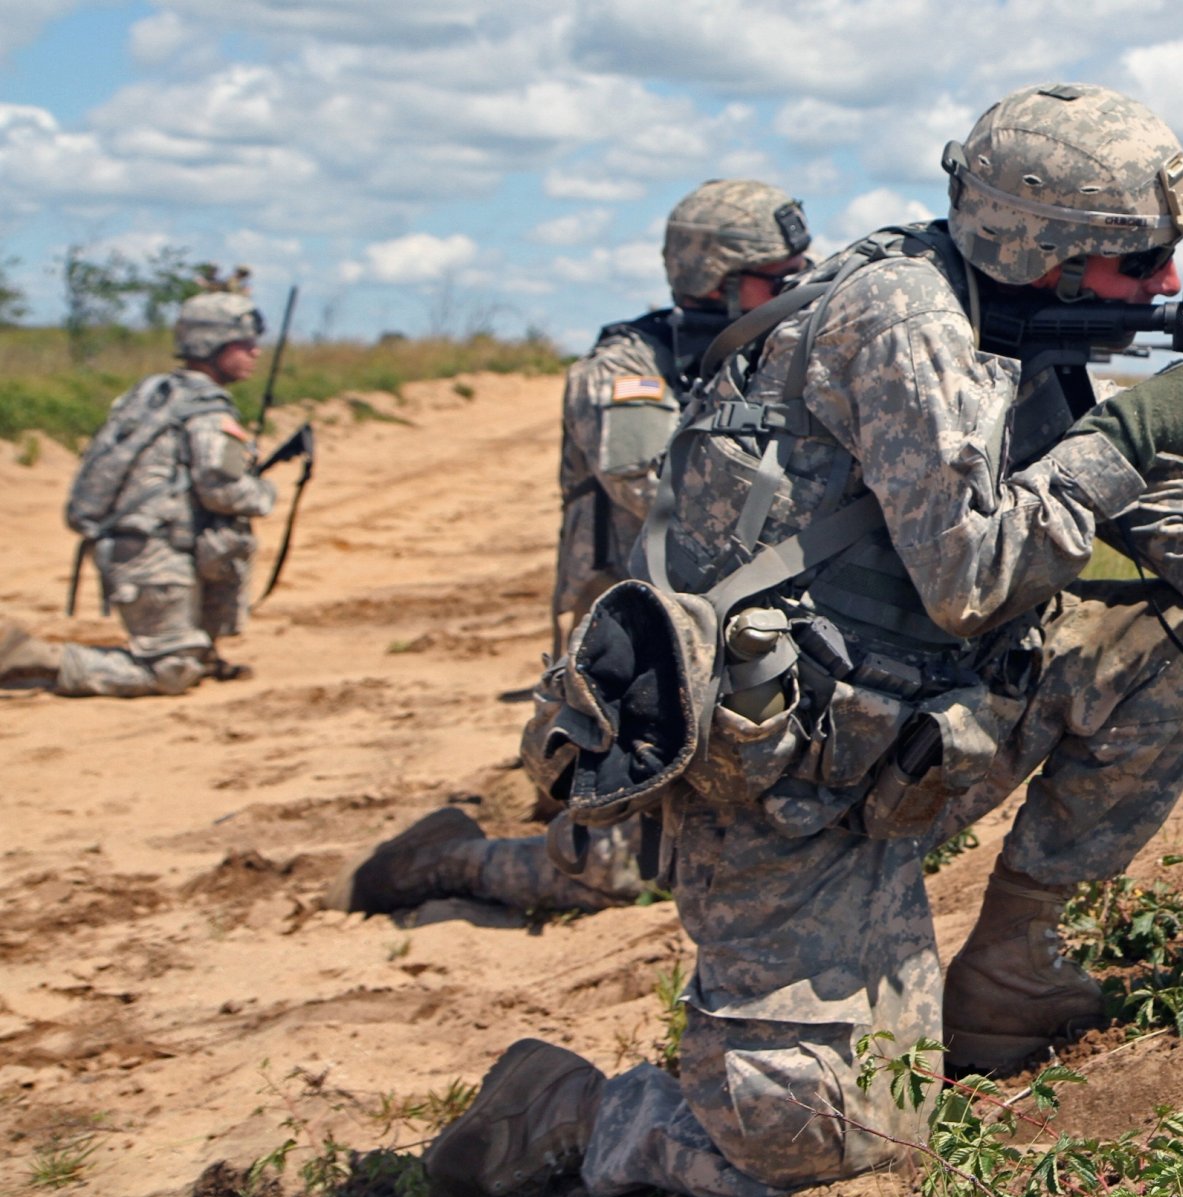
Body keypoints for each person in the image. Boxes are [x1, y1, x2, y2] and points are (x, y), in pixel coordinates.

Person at [424, 83, 1183, 1197]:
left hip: (914, 747)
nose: (1165, 287)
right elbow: (972, 577)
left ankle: (1010, 971)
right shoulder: (901, 321)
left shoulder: (1038, 346)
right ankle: (568, 1109)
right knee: (818, 1147)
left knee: (1165, 623)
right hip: (783, 798)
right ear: (1043, 253)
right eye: (1136, 263)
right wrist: (1130, 432)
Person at [327, 180, 814, 920]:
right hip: (639, 656)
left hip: (716, 636)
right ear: (717, 280)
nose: (798, 290)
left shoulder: (756, 353)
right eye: (779, 280)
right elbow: (664, 491)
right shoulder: (626, 373)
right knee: (635, 872)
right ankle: (453, 862)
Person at [0, 288, 276, 697]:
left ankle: (192, 650)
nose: (255, 353)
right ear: (212, 345)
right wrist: (264, 492)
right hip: (154, 555)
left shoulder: (155, 395)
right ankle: (24, 658)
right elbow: (223, 492)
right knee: (170, 672)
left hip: (141, 547)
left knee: (189, 656)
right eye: (245, 344)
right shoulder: (205, 410)